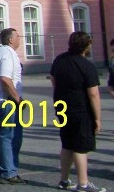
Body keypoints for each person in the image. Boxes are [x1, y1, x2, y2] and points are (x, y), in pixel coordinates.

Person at [50, 32, 106, 192]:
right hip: (81, 109)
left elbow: (53, 79)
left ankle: (64, 180)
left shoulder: (59, 59)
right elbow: (93, 94)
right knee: (81, 147)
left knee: (67, 144)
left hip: (62, 107)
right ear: (86, 45)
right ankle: (83, 183)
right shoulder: (87, 65)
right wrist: (98, 119)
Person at [0, 27, 25, 185]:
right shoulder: (7, 54)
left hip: (2, 99)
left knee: (9, 136)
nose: (19, 39)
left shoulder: (1, 53)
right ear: (10, 39)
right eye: (17, 36)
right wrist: (17, 98)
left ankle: (5, 170)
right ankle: (8, 172)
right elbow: (5, 79)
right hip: (6, 100)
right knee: (10, 136)